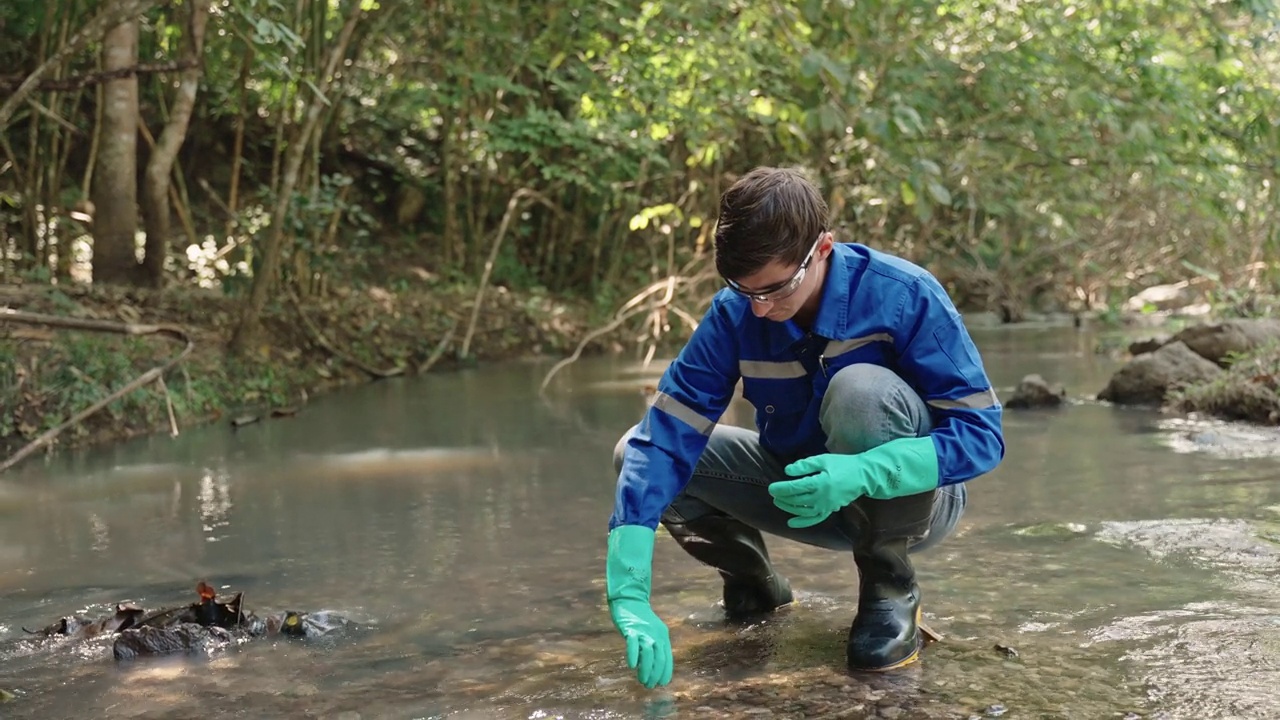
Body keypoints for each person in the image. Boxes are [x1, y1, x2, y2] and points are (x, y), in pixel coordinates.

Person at [603, 166, 1005, 689]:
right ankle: (754, 584)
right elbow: (666, 435)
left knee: (861, 389)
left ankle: (888, 588)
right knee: (635, 450)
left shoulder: (905, 294)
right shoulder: (736, 313)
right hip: (799, 491)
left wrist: (866, 471)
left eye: (776, 288)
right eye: (746, 291)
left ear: (823, 249)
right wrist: (629, 587)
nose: (762, 308)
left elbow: (983, 436)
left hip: (917, 500)